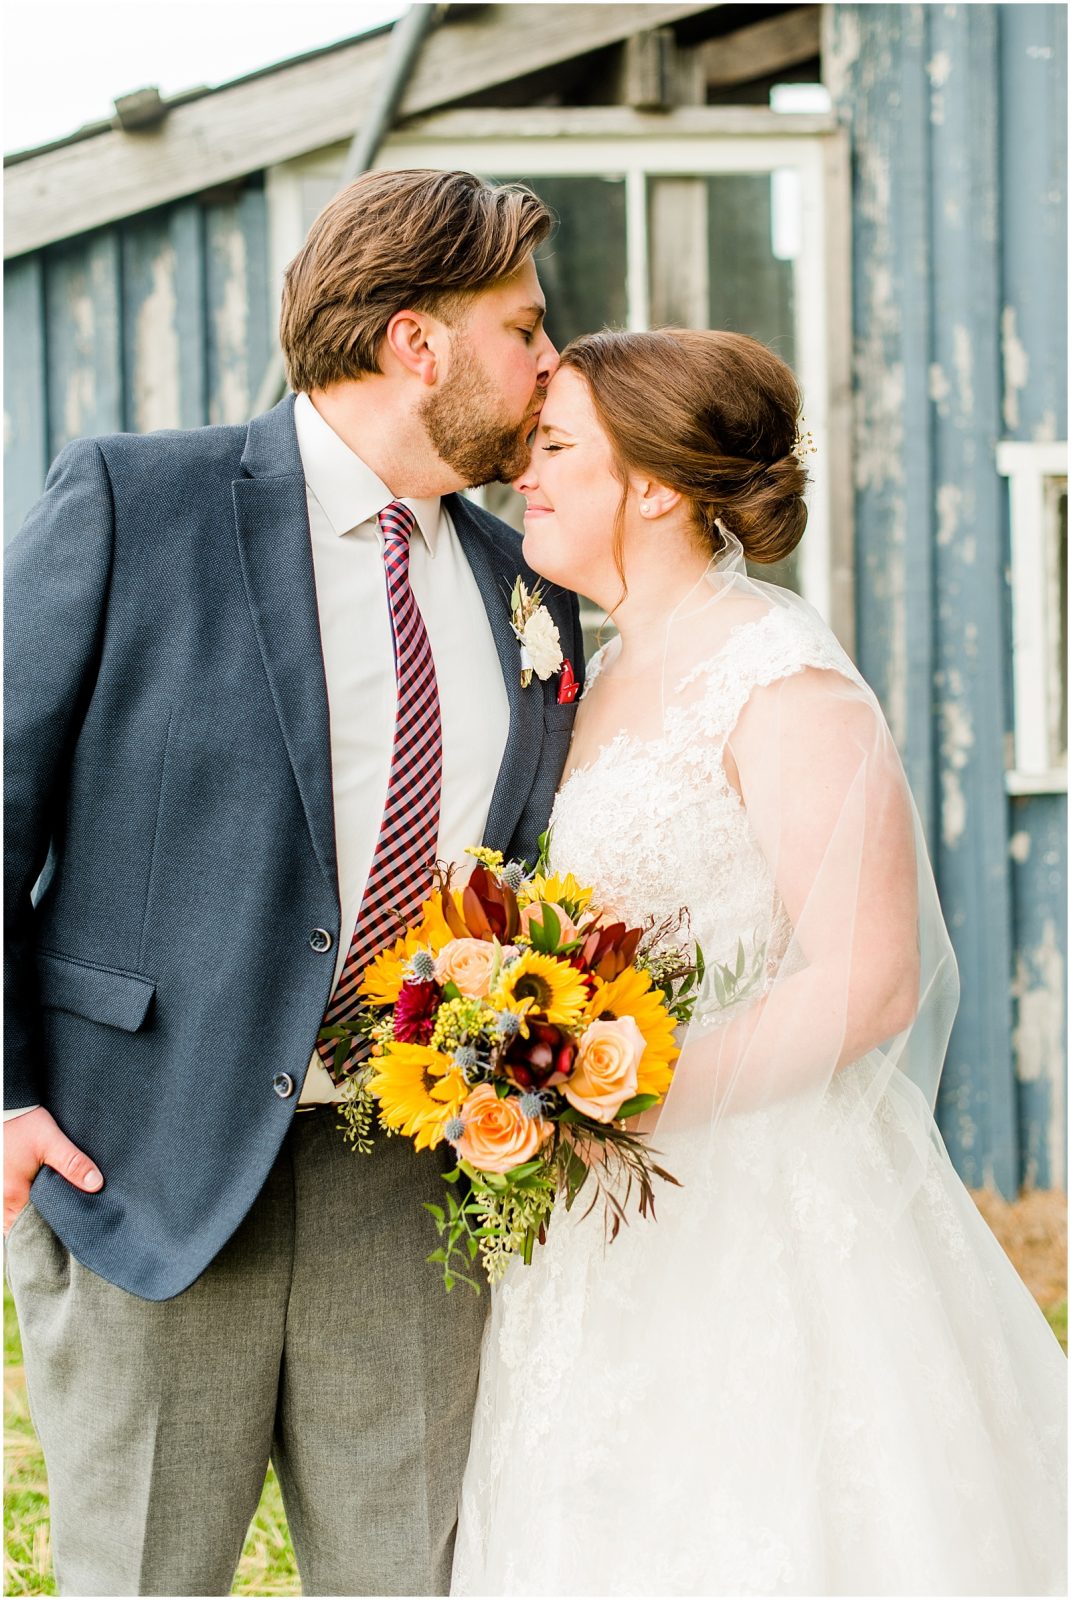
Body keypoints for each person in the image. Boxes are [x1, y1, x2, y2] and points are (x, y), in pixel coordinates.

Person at [4, 167, 583, 1597]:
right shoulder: (140, 501)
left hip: (411, 1192)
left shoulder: (533, 585)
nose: (549, 364)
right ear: (415, 342)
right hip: (145, 1162)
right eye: (523, 329)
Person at [451, 328, 1067, 1597]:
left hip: (757, 1206)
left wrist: (617, 1092)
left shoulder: (779, 680)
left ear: (659, 486)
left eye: (558, 446)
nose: (530, 473)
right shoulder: (597, 673)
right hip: (596, 1215)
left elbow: (872, 976)